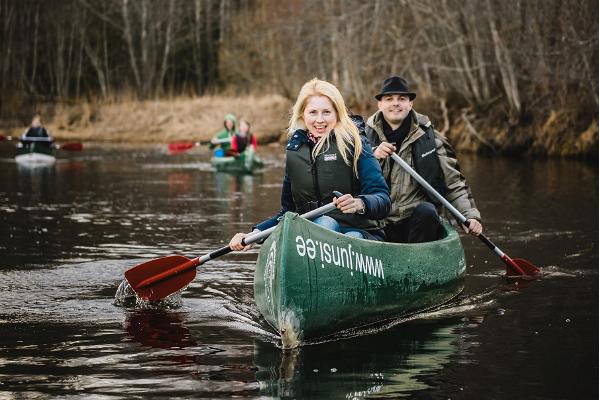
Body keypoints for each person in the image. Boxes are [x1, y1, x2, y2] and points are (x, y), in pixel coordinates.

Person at [229, 78, 391, 251]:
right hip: (311, 239)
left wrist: (360, 204)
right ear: (302, 114)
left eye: (326, 112)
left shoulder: (357, 144)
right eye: (313, 112)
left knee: (341, 231)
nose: (319, 120)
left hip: (358, 234)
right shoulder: (295, 151)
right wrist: (255, 234)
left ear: (337, 113)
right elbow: (287, 215)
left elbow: (383, 200)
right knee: (323, 223)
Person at [364, 75, 483, 243]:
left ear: (410, 103)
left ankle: (416, 261)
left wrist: (468, 216)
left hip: (415, 224)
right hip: (377, 223)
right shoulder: (362, 139)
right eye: (389, 99)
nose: (395, 103)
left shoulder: (432, 139)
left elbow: (454, 183)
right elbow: (349, 178)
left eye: (402, 99)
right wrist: (372, 155)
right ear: (380, 104)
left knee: (428, 211)